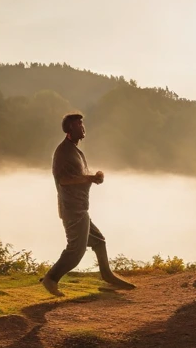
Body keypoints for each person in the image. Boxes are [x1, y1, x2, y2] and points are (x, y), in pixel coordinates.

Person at [40, 113, 135, 296]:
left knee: (99, 241)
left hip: (80, 208)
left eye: (82, 123)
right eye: (78, 124)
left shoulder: (75, 151)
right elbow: (64, 180)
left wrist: (94, 176)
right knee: (76, 250)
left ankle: (108, 277)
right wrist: (90, 177)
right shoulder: (63, 152)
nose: (83, 127)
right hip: (72, 210)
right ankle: (51, 279)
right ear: (69, 129)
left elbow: (78, 175)